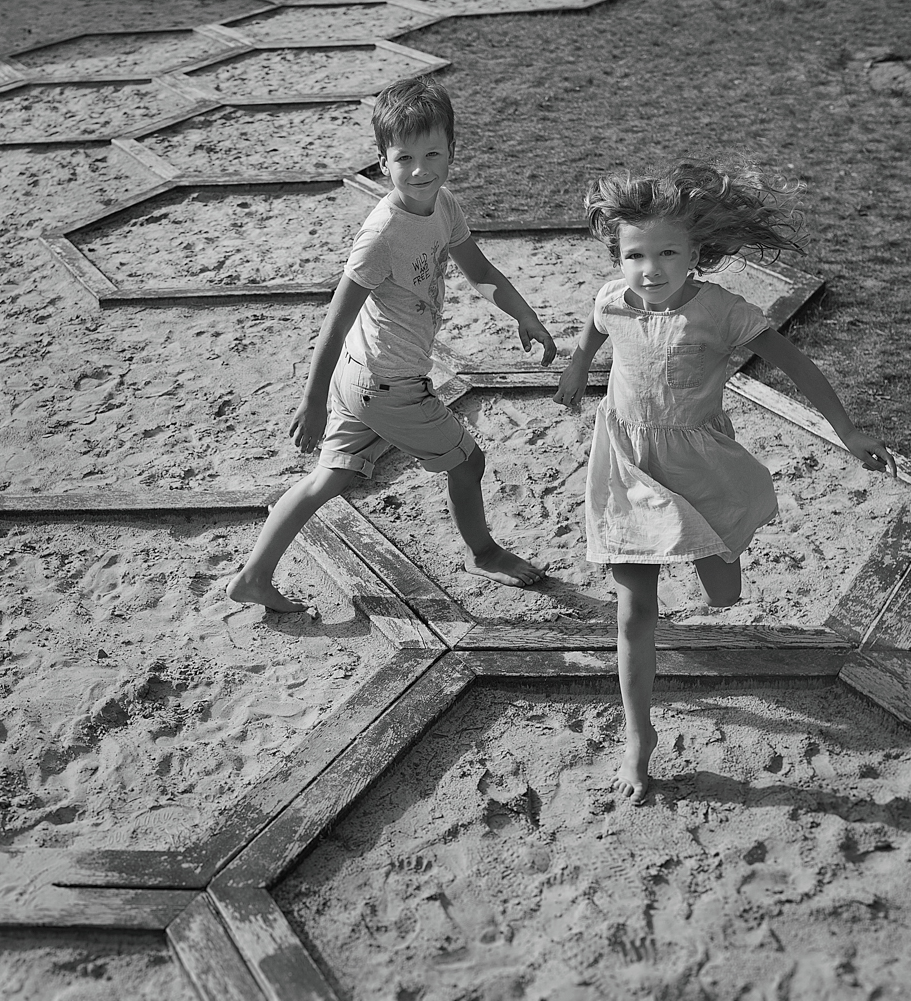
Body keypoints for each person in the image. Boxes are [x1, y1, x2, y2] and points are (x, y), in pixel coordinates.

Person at [553, 160, 897, 805]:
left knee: (722, 591)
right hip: (626, 463)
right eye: (635, 255)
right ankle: (639, 737)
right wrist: (577, 369)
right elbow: (596, 330)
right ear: (618, 256)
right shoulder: (611, 298)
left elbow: (796, 364)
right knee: (634, 610)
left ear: (696, 255)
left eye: (667, 253)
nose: (650, 269)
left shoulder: (721, 311)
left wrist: (848, 431)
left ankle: (715, 546)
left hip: (699, 463)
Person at [228, 76, 556, 612]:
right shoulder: (381, 235)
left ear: (452, 151)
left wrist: (524, 314)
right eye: (405, 158)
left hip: (365, 375)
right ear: (383, 162)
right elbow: (335, 320)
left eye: (433, 154)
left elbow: (479, 270)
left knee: (329, 477)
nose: (420, 170)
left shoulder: (444, 205)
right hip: (386, 383)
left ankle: (254, 576)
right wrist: (312, 402)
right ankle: (483, 553)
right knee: (468, 462)